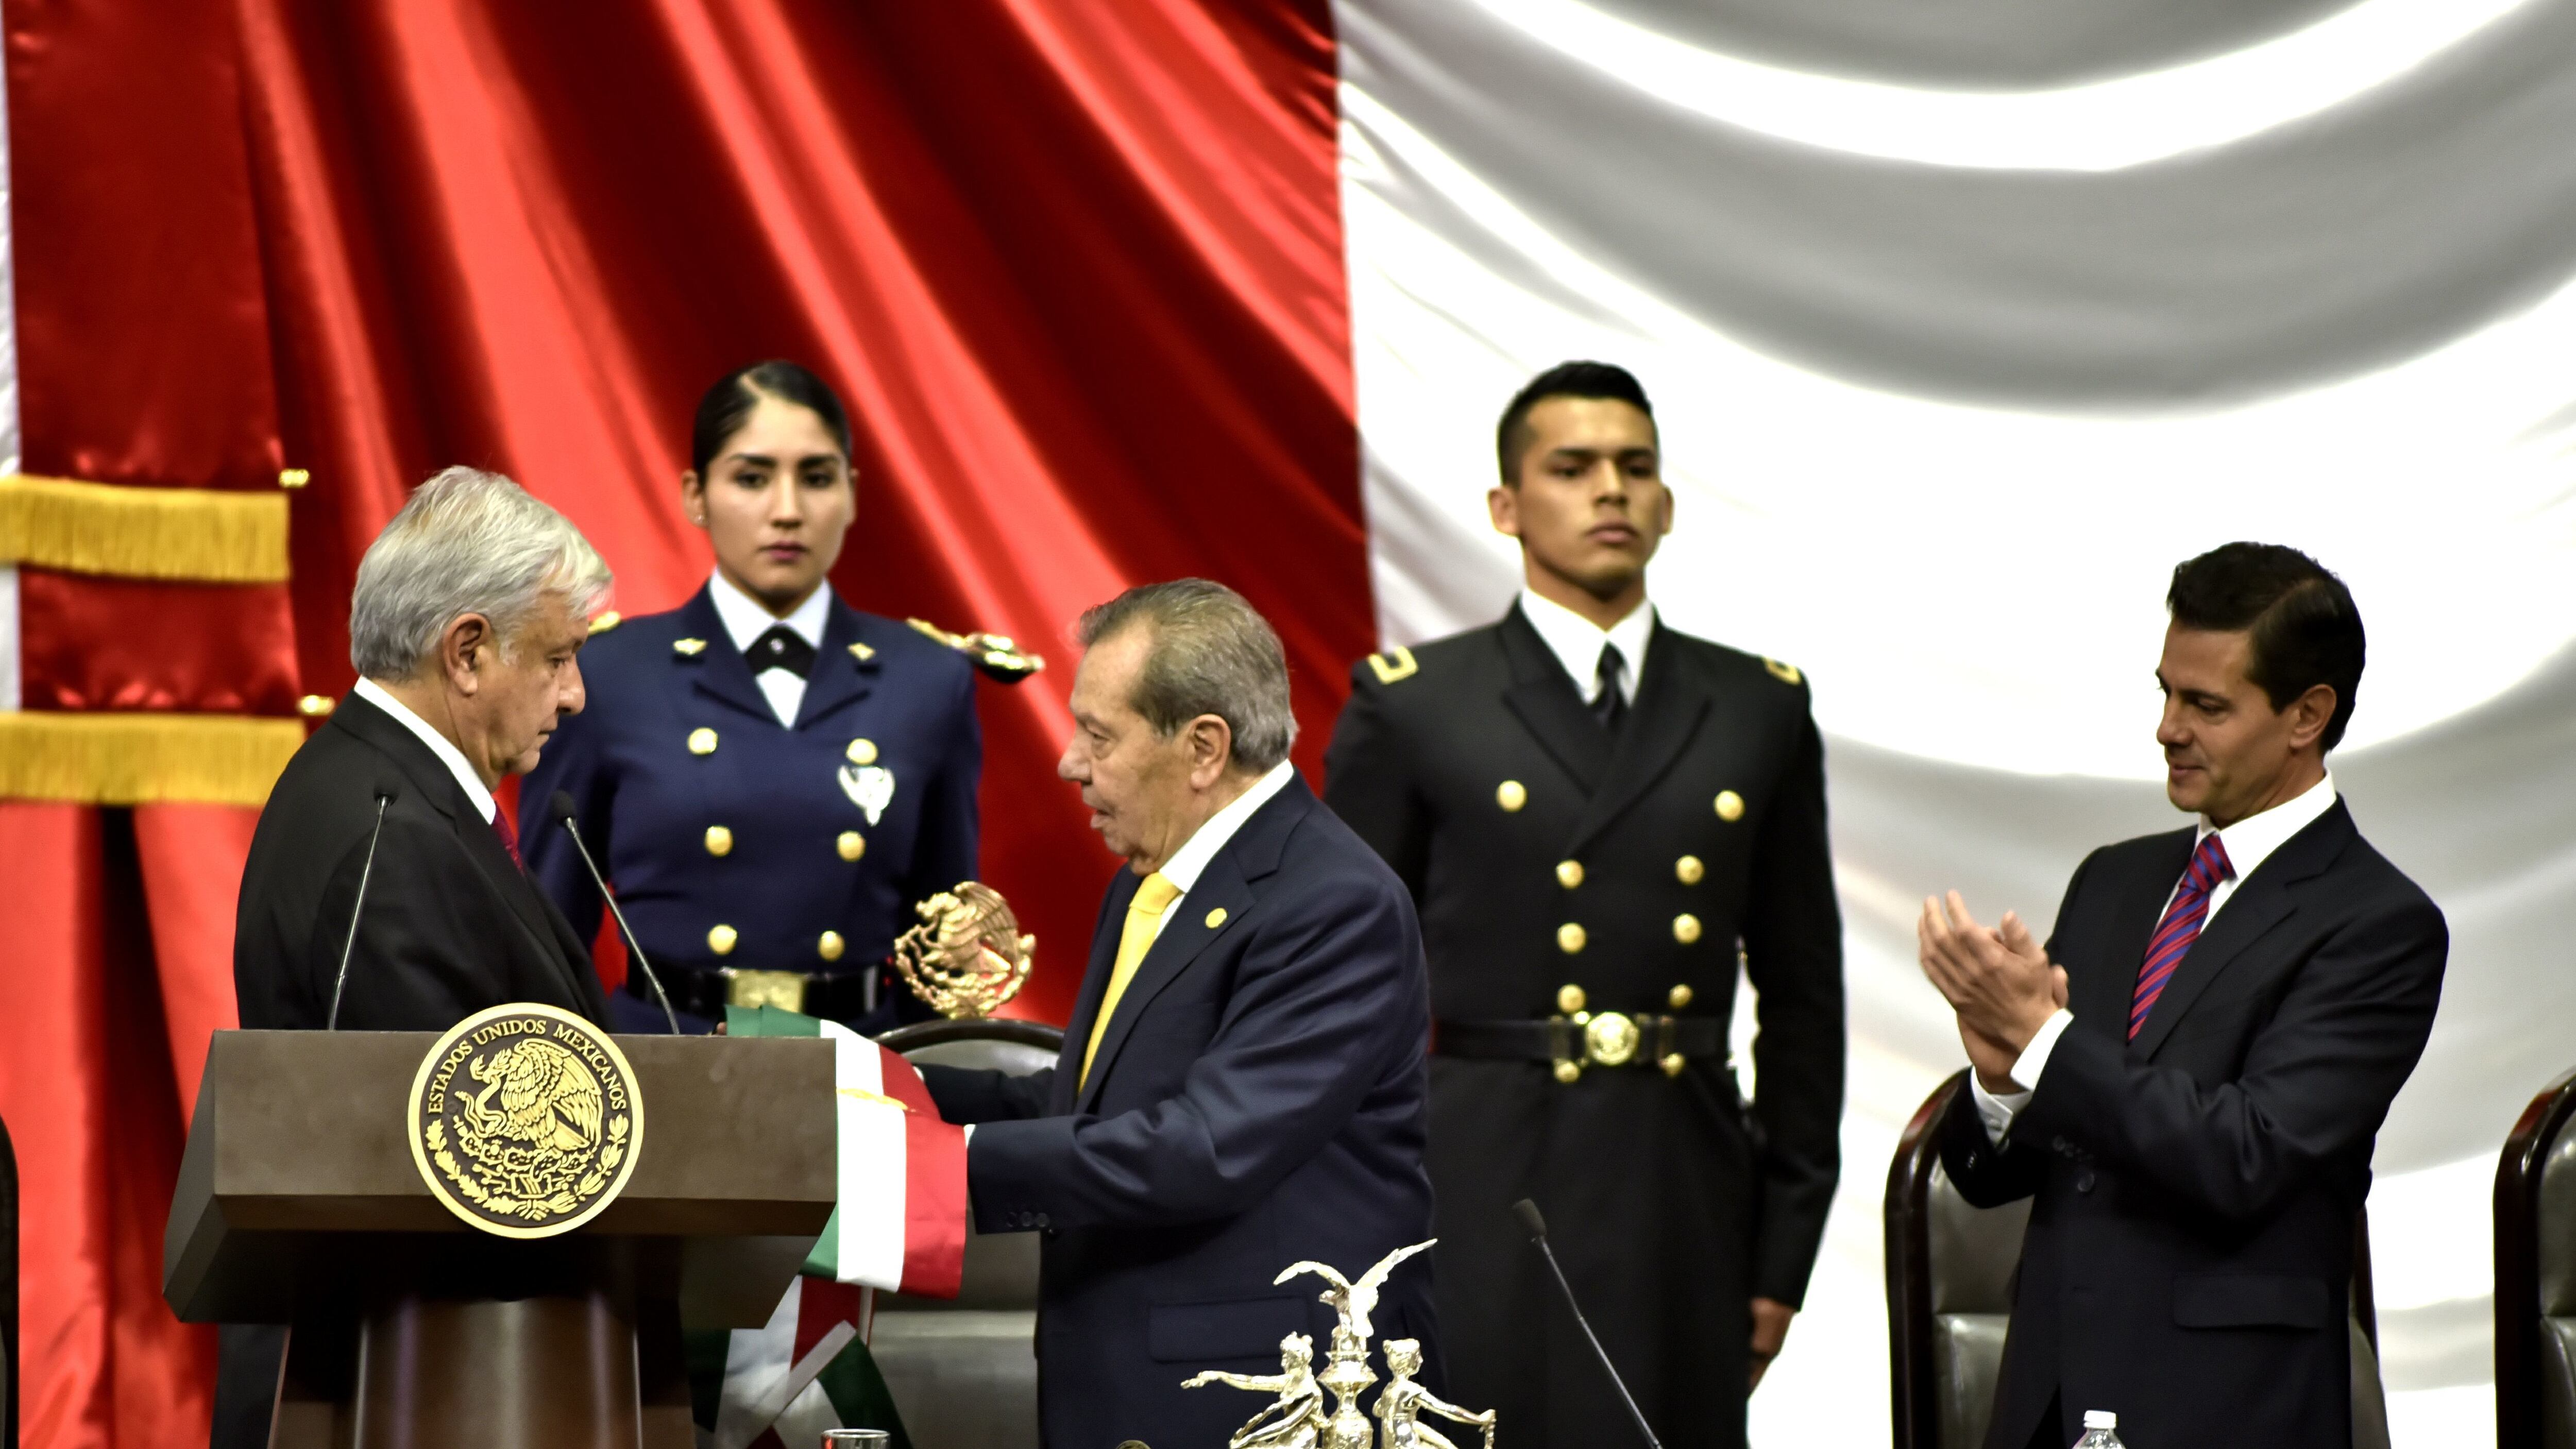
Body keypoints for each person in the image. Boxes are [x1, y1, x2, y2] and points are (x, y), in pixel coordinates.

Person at [1321, 361, 1844, 1448]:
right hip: (1476, 1179)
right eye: (1573, 468)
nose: (1610, 490)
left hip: (1683, 1185)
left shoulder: (1757, 706)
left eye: (1634, 468)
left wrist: (1781, 1250)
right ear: (1506, 508)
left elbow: (1803, 1001)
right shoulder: (1416, 705)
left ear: (1664, 503)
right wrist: (1360, 1239)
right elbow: (1342, 998)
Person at [1920, 543, 2446, 1449]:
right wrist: (2004, 1077)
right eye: (2164, 691)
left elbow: (2247, 1155)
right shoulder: (2114, 882)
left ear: (2307, 715)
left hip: (2225, 1411)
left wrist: (2045, 1039)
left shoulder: (2378, 923)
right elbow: (2000, 1173)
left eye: (2205, 704)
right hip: (2050, 1399)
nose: (2167, 727)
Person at [917, 579, 1437, 1448]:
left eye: (1098, 734)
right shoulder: (1151, 882)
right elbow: (1102, 1108)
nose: (1069, 762)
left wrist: (944, 1164)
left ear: (1202, 747)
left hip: (1260, 1401)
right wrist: (896, 1091)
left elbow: (1203, 1145)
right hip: (1129, 1383)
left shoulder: (1335, 902)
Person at [219, 465, 614, 1449]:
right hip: (410, 1390)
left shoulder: (366, 782)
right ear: (469, 650)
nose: (575, 692)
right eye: (560, 657)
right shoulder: (394, 836)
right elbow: (457, 1175)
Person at [522, 360, 984, 1035]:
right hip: (666, 1068)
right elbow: (547, 934)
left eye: (817, 477)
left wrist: (929, 1100)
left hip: (862, 1067)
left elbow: (941, 940)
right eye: (752, 477)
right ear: (695, 495)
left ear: (853, 494)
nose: (787, 509)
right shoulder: (606, 676)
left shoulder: (929, 678)